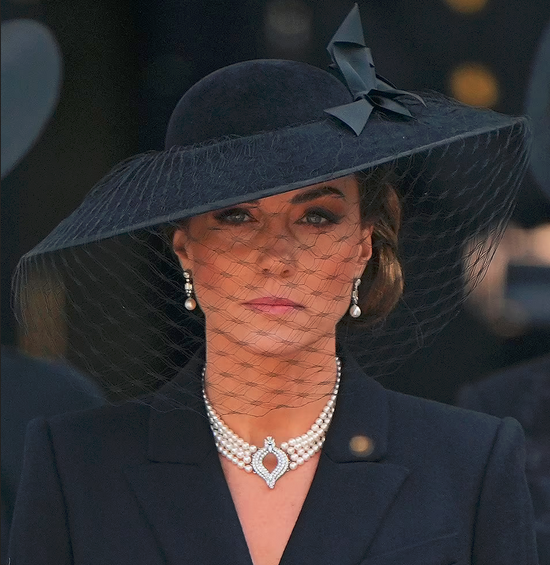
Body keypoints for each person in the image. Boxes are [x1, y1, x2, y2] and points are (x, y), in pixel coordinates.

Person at [9, 6, 538, 565]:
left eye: (316, 217)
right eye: (237, 217)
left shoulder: (471, 464)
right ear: (185, 247)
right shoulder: (74, 467)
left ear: (364, 244)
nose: (276, 259)